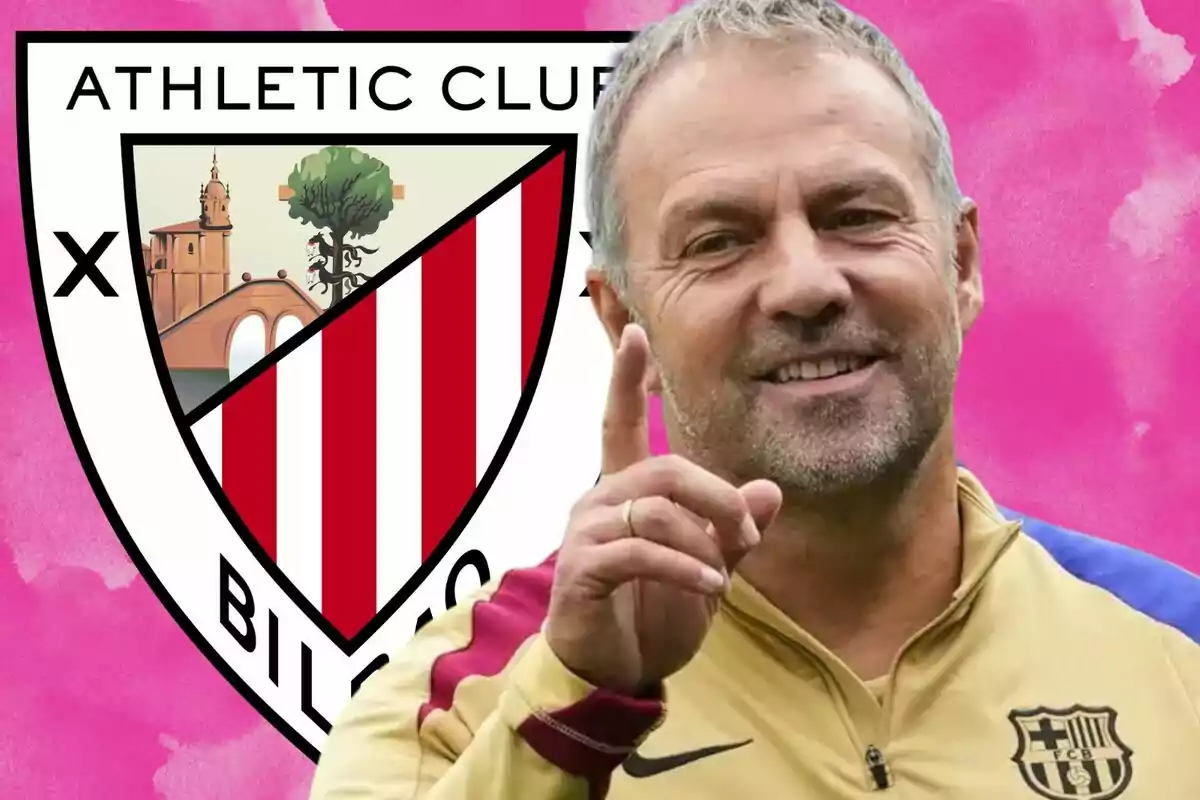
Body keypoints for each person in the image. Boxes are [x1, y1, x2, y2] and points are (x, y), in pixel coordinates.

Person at [309, 0, 1200, 796]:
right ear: (627, 318)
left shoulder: (1175, 646)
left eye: (855, 215)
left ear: (962, 264)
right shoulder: (457, 701)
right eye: (720, 241)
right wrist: (578, 716)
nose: (806, 285)